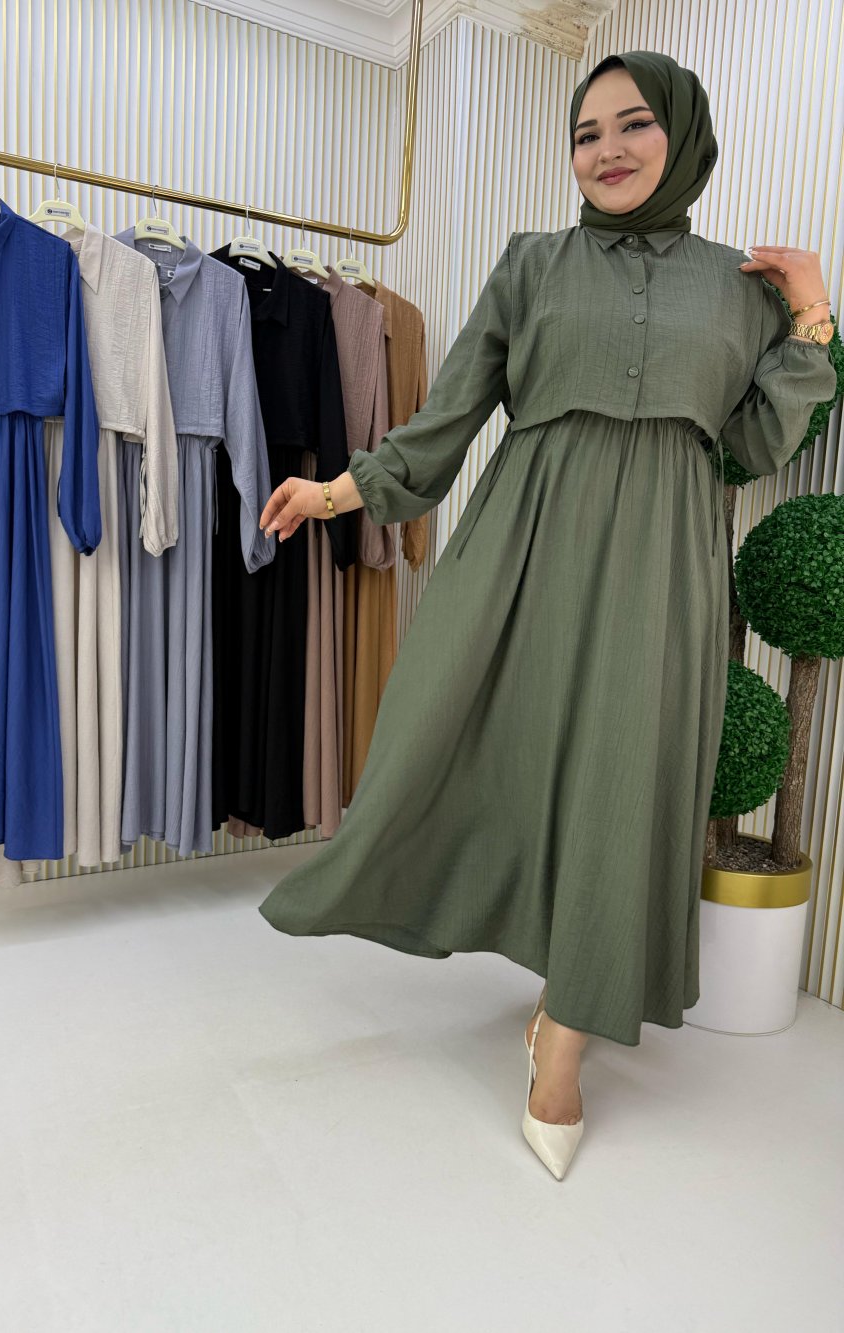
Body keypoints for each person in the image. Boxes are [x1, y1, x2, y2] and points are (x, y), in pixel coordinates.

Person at [253, 50, 837, 1179]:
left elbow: (757, 443)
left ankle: (561, 1040)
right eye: (584, 133)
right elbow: (452, 412)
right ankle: (431, 905)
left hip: (663, 568)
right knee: (461, 739)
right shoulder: (531, 264)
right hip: (522, 552)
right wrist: (338, 491)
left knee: (625, 785)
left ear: (683, 136)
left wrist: (811, 312)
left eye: (633, 124)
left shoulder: (741, 290)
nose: (606, 150)